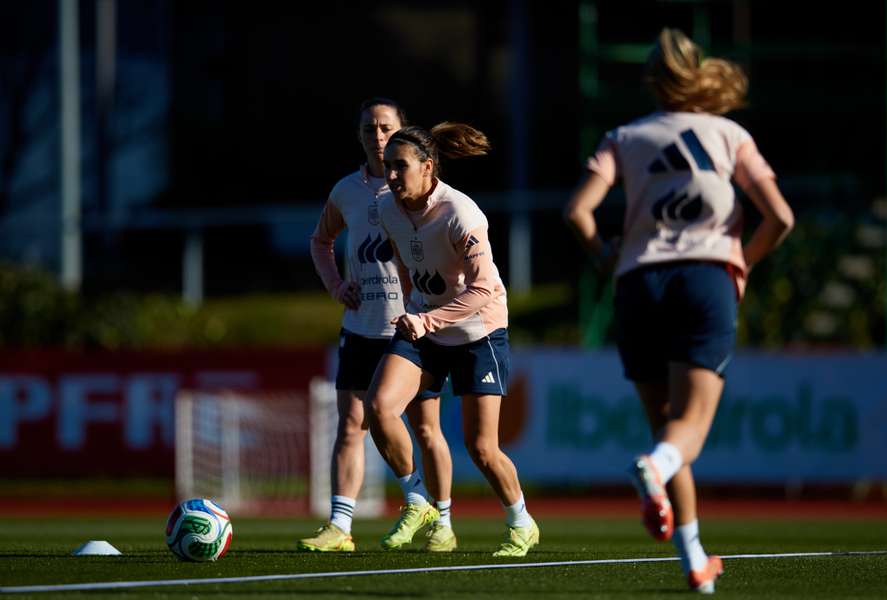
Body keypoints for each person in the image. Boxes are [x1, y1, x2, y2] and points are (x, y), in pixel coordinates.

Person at [565, 28, 794, 593]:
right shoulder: (728, 134)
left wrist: (602, 256)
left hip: (638, 284)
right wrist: (739, 264)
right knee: (684, 433)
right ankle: (656, 471)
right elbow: (780, 218)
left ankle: (695, 561)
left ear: (653, 82)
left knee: (667, 428)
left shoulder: (624, 135)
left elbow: (577, 211)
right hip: (704, 277)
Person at [366, 122, 540, 557]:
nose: (390, 175)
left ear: (428, 167)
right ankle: (420, 501)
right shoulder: (387, 206)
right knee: (380, 407)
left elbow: (482, 290)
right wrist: (414, 306)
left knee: (482, 448)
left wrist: (427, 320)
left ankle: (522, 521)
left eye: (399, 167)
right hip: (427, 329)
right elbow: (405, 261)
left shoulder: (461, 213)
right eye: (387, 166)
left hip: (478, 333)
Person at [304, 98, 456, 552]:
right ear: (359, 135)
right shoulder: (347, 190)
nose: (377, 134)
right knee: (351, 425)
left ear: (402, 130)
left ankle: (441, 519)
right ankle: (340, 526)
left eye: (385, 126)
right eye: (369, 128)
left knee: (426, 428)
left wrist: (432, 307)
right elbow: (320, 241)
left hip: (409, 327)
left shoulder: (417, 186)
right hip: (361, 325)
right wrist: (335, 285)